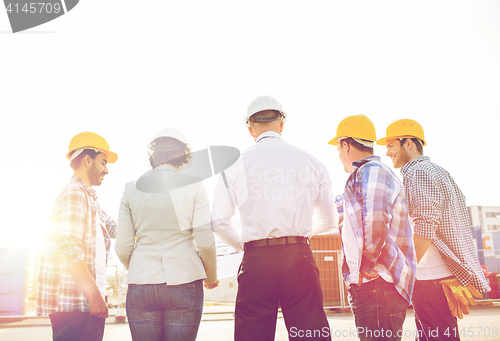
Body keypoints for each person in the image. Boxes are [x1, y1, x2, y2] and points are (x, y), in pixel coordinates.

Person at [211, 96, 337, 341]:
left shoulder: (234, 165)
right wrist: (299, 235)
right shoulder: (312, 162)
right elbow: (331, 221)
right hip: (299, 257)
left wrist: (242, 245)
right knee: (310, 334)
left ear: (250, 129)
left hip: (257, 260)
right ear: (282, 124)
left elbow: (218, 222)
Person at [377, 119, 490, 341]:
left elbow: (425, 225)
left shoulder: (417, 172)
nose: (387, 152)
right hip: (439, 277)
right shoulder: (439, 172)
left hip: (430, 279)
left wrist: (405, 269)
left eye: (391, 145)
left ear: (408, 143)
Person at [115, 127, 218, 341]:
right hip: (184, 280)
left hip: (141, 281)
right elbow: (205, 242)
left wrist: (140, 267)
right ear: (185, 156)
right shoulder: (195, 186)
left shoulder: (131, 188)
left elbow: (122, 247)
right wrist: (211, 277)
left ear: (152, 155)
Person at [328, 115, 416, 341]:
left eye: (338, 149)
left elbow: (376, 224)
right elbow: (337, 211)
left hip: (377, 284)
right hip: (372, 285)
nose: (338, 156)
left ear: (345, 146)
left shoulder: (373, 172)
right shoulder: (363, 176)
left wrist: (365, 269)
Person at [37, 132, 118, 341]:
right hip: (76, 306)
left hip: (83, 306)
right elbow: (70, 248)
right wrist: (94, 296)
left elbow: (117, 229)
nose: (107, 170)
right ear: (88, 160)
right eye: (103, 162)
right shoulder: (74, 193)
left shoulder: (89, 198)